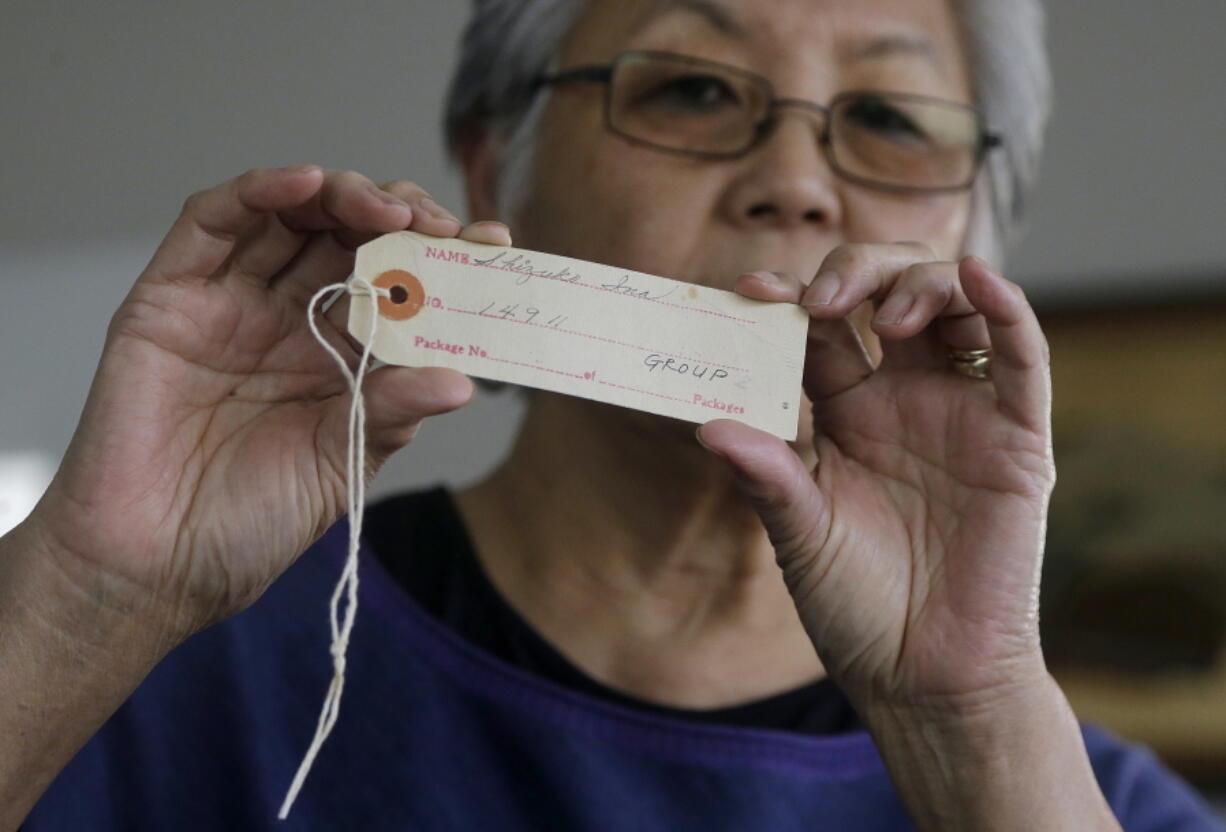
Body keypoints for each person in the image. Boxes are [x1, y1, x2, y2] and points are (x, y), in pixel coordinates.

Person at [2, 0, 1222, 829]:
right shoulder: (147, 668)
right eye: (689, 87)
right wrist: (90, 590)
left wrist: (966, 721)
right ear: (497, 170)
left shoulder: (1084, 794)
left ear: (976, 226)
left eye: (890, 120)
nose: (793, 183)